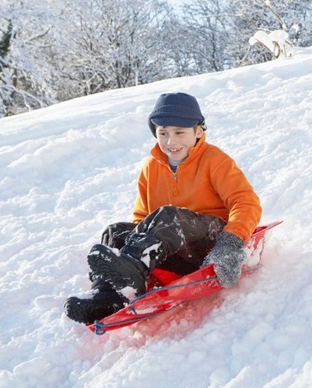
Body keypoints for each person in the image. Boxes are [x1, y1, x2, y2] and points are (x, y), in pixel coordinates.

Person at [64, 92, 263, 325]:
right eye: (163, 133)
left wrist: (230, 242)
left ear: (198, 131)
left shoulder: (215, 161)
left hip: (210, 242)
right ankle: (107, 294)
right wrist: (131, 239)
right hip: (171, 249)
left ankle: (133, 272)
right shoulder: (151, 168)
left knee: (168, 215)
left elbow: (245, 201)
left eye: (180, 132)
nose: (171, 141)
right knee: (115, 231)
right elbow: (142, 217)